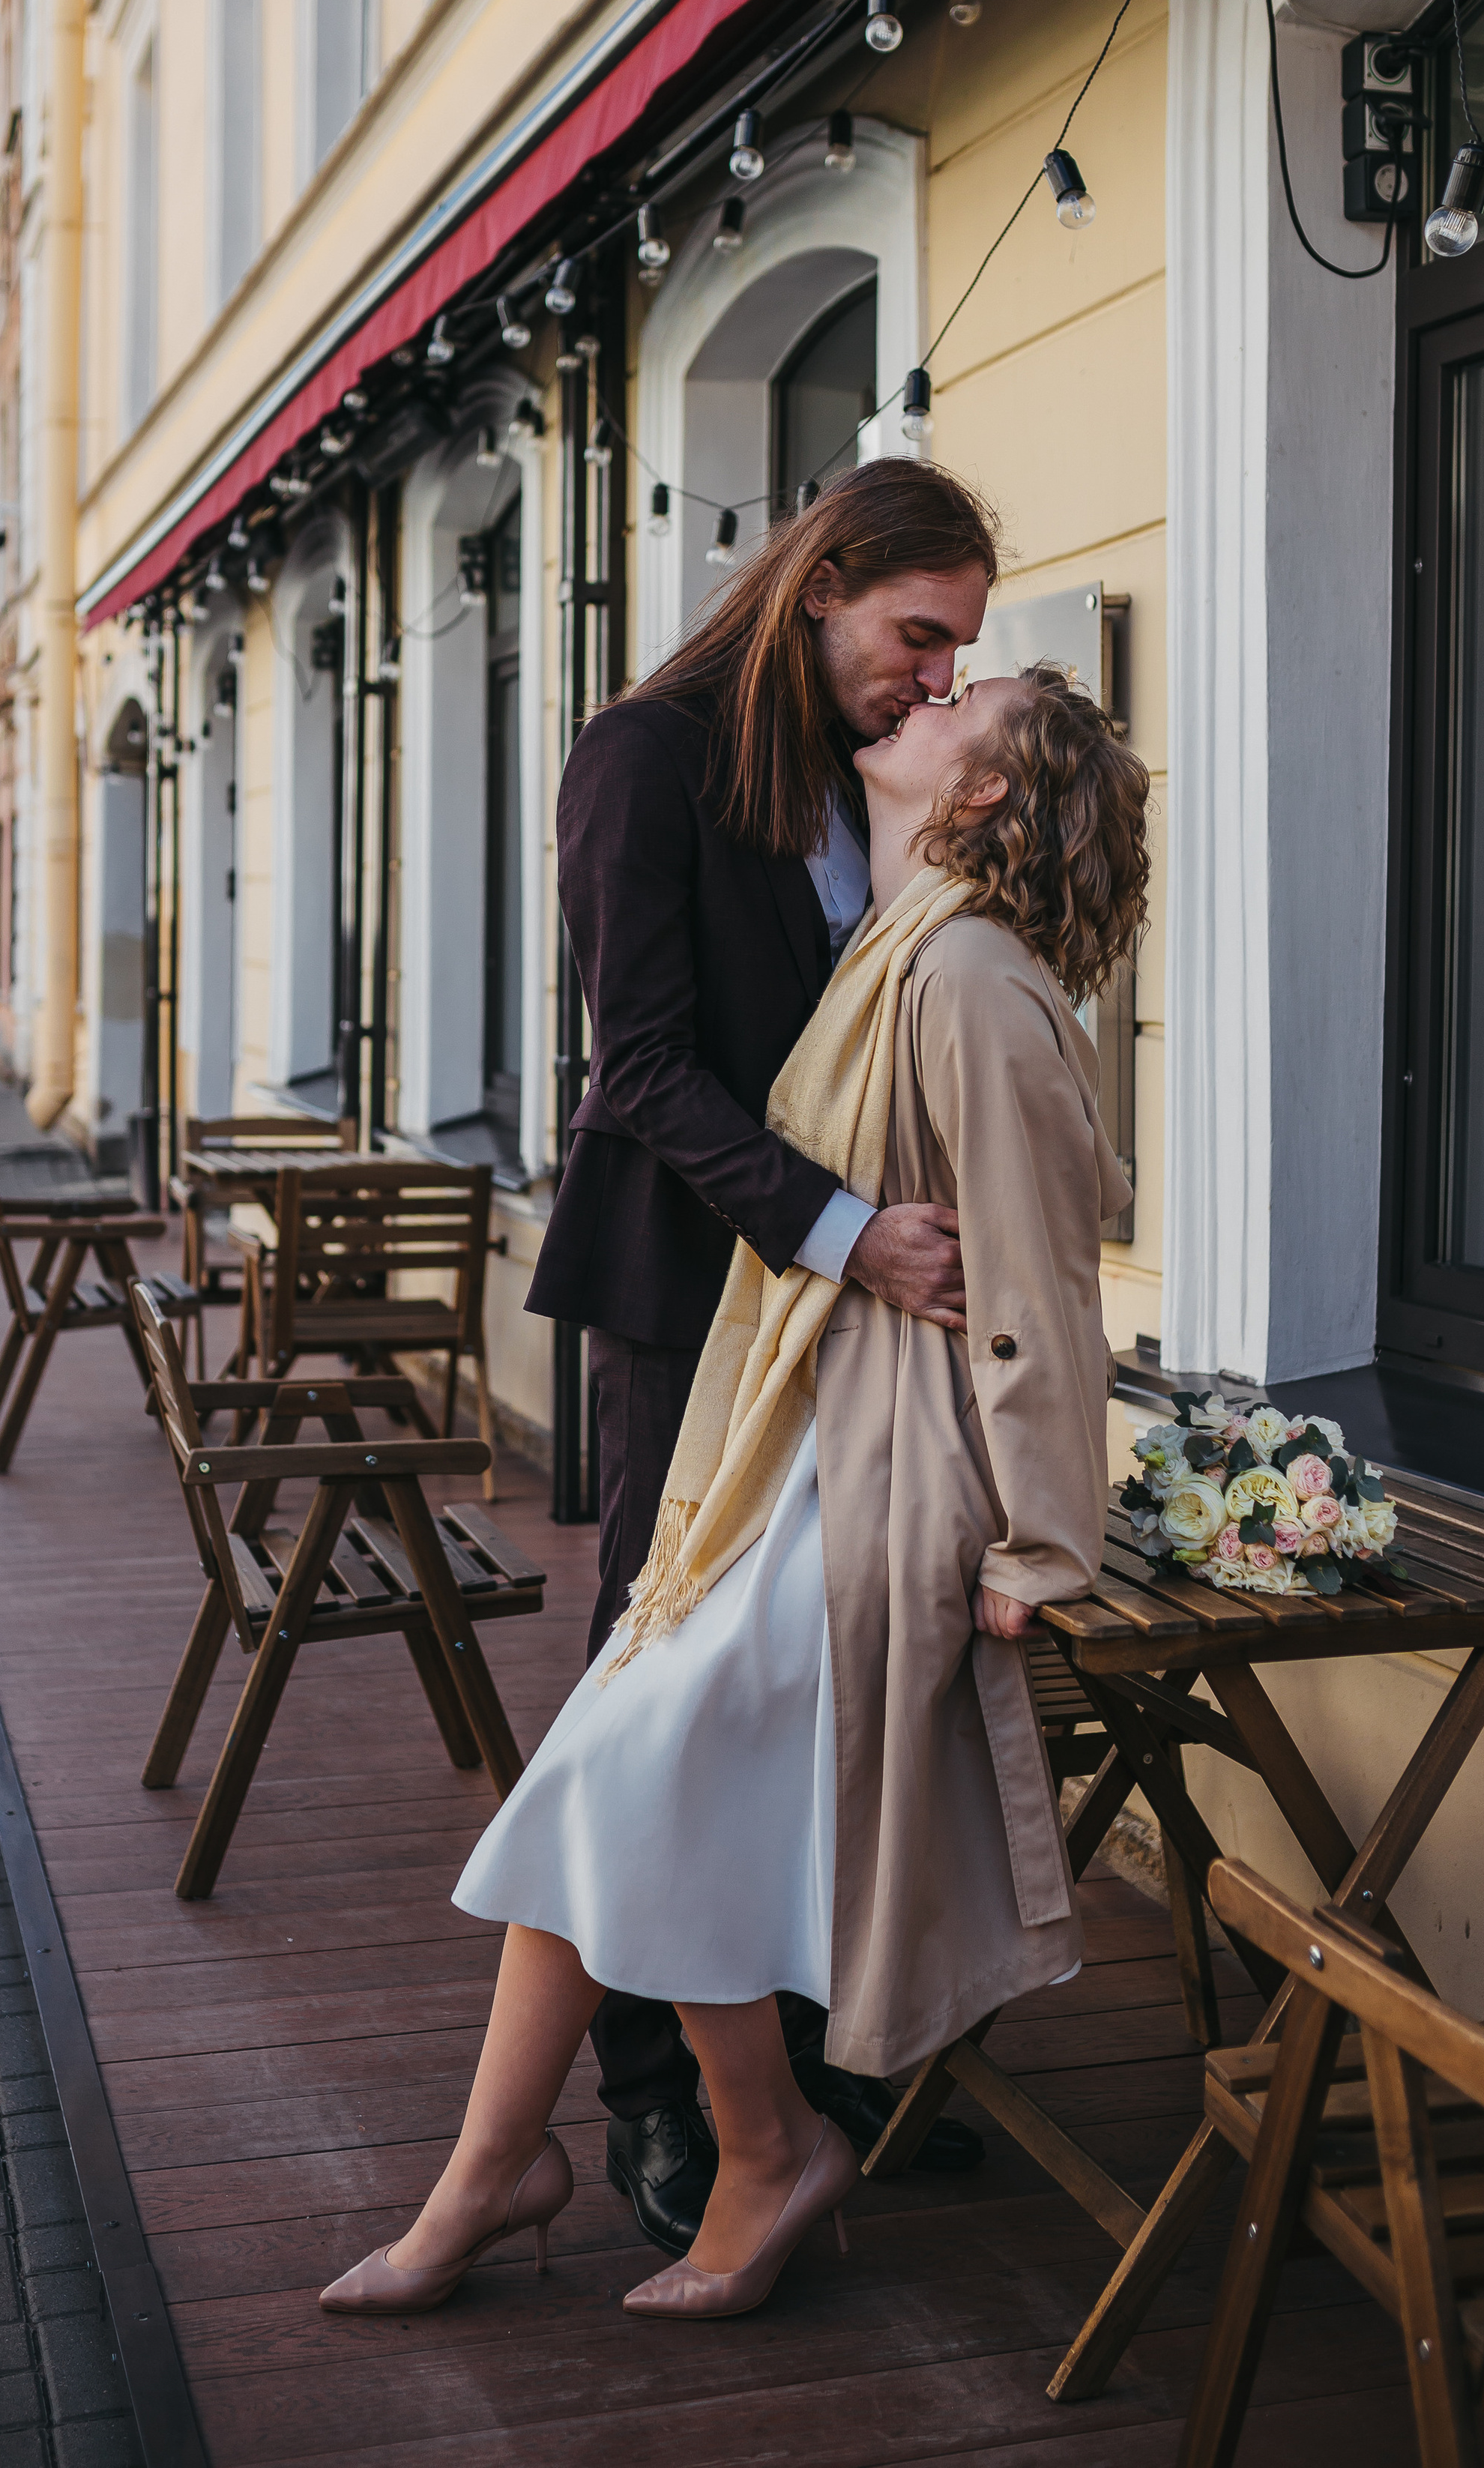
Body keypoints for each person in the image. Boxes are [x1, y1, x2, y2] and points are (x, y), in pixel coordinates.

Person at [320, 656, 1147, 2321]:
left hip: (877, 1471)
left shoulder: (969, 977)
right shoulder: (895, 948)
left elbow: (1046, 1280)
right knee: (602, 1784)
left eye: (945, 713)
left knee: (633, 1773)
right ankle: (509, 2168)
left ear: (976, 794)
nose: (909, 710)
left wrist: (1045, 1539)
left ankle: (737, 2152)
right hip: (789, 1444)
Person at [525, 458, 998, 2248]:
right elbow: (635, 1066)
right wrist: (847, 1232)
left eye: (959, 649)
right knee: (655, 1693)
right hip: (687, 1300)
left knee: (798, 1688)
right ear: (819, 587)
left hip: (841, 1312)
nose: (937, 680)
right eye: (916, 635)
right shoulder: (640, 754)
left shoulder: (856, 778)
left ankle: (799, 2085)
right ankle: (655, 2105)